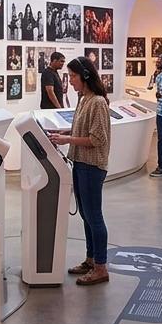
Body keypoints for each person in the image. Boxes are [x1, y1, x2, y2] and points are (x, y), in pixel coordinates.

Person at [47, 58, 112, 285]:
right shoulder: (84, 100)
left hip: (92, 166)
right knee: (86, 215)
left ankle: (101, 268)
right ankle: (91, 259)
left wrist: (67, 139)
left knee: (94, 217)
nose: (70, 81)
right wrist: (63, 132)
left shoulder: (98, 103)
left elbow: (96, 139)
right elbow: (81, 129)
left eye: (73, 76)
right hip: (80, 163)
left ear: (84, 76)